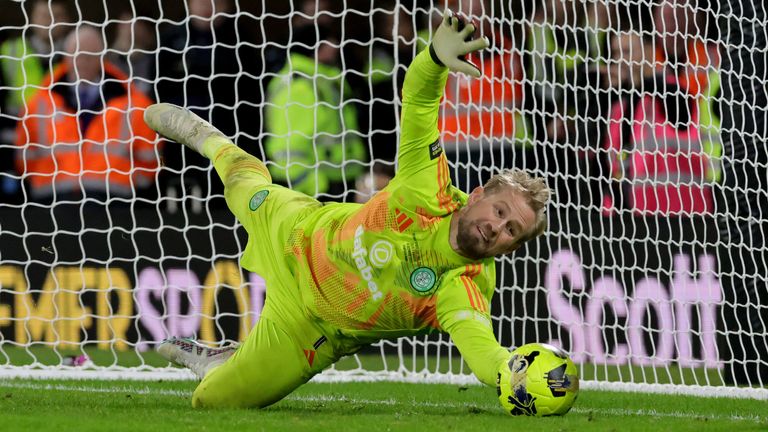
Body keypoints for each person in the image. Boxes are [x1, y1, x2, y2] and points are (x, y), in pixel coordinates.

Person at [146, 10, 550, 408]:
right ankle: (212, 141)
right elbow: (419, 103)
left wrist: (507, 371)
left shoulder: (464, 286)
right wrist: (432, 60)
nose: (498, 228)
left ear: (509, 249)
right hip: (298, 232)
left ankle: (221, 358)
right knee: (242, 183)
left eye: (512, 230)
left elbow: (482, 349)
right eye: (499, 212)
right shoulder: (427, 185)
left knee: (211, 401)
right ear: (477, 194)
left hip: (310, 328)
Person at [15, 25, 159, 202]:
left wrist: (129, 185)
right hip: (51, 202)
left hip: (113, 202)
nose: (82, 61)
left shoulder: (135, 105)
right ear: (66, 56)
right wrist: (44, 178)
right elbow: (24, 156)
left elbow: (150, 159)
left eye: (90, 55)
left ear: (102, 58)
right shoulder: (39, 104)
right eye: (77, 54)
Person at [262, 1, 366, 200]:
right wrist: (318, 186)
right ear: (314, 46)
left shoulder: (330, 80)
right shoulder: (299, 86)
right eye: (328, 41)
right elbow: (289, 147)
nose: (335, 46)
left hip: (342, 183)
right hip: (315, 191)